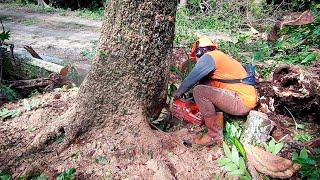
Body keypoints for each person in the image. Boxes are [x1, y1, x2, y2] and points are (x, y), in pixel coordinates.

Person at [174, 36, 257, 146]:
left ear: (200, 51)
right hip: (242, 98)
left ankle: (213, 135)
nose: (197, 61)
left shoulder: (209, 57)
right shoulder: (218, 57)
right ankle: (216, 127)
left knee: (199, 91)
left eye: (196, 57)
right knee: (204, 87)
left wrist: (178, 93)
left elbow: (191, 79)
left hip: (241, 101)